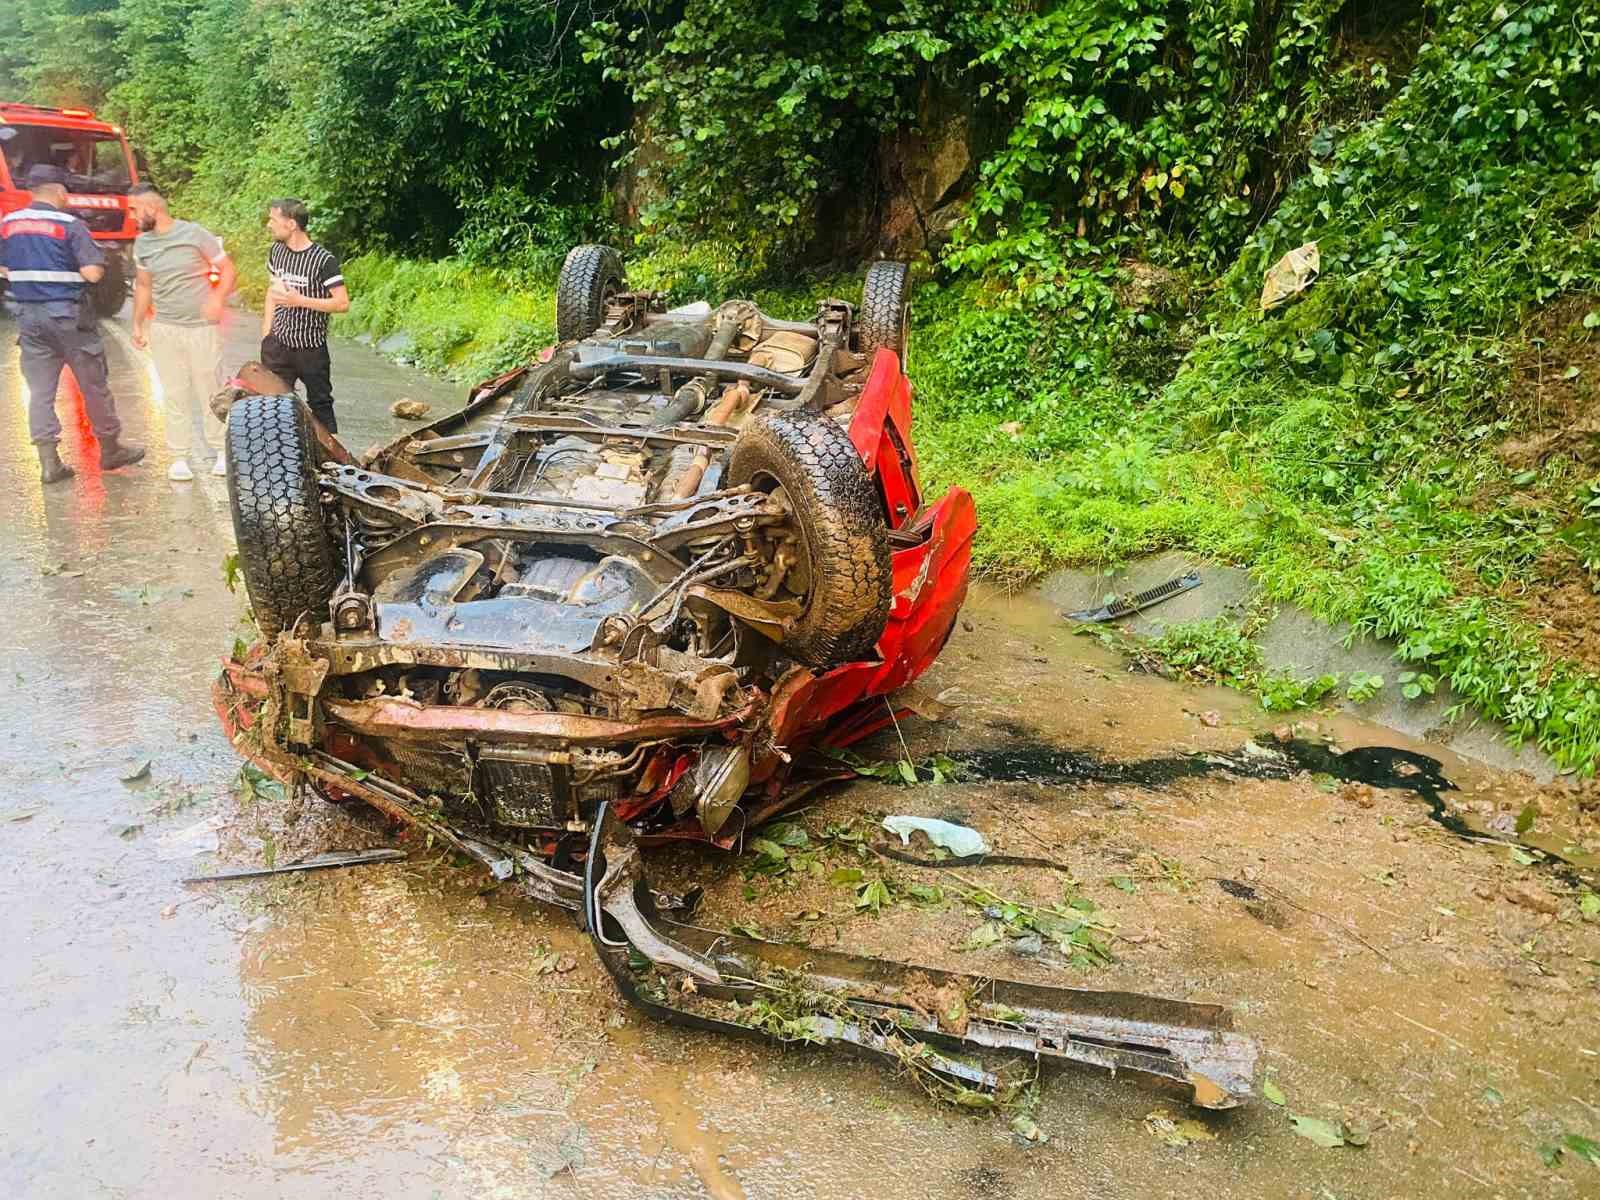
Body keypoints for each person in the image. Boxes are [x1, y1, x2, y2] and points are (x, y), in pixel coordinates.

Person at [0, 163, 144, 484]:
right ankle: (110, 449)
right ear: (58, 191)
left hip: (29, 318)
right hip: (69, 317)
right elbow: (93, 272)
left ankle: (49, 463)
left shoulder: (8, 224)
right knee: (93, 384)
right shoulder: (69, 225)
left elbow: (4, 269)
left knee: (40, 392)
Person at [128, 184, 237, 481]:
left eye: (134, 209)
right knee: (174, 393)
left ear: (152, 208)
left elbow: (227, 270)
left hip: (202, 329)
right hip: (165, 328)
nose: (132, 216)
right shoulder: (142, 244)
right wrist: (138, 324)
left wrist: (217, 299)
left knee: (211, 391)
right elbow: (144, 286)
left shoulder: (194, 234)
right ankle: (179, 456)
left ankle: (220, 452)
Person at [261, 198, 349, 432]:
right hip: (277, 343)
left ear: (291, 224)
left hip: (310, 348)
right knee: (271, 406)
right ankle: (275, 458)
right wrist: (267, 334)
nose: (269, 224)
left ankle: (331, 463)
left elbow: (341, 303)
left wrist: (300, 301)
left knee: (320, 405)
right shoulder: (276, 252)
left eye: (273, 219)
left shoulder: (324, 261)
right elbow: (272, 292)